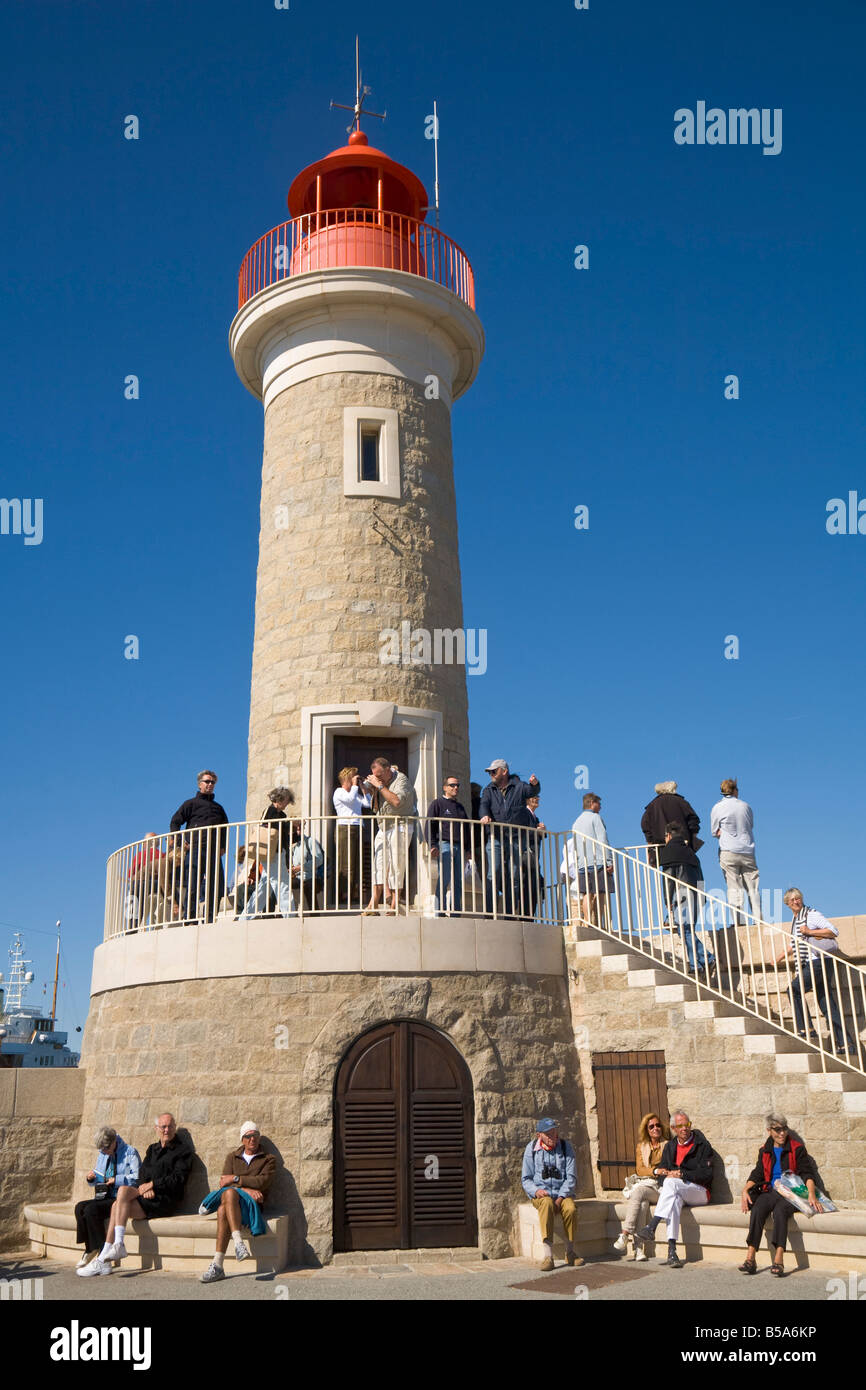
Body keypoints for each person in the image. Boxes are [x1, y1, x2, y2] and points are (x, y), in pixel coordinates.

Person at [78, 1114, 194, 1276]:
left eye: (170, 1126)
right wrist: (145, 1187)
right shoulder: (152, 1149)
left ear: (175, 1127)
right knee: (120, 1197)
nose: (166, 1130)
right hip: (146, 1196)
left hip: (164, 1200)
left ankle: (106, 1255)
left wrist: (152, 1185)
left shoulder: (183, 1151)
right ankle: (113, 1249)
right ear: (157, 1129)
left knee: (118, 1200)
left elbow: (178, 1178)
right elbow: (142, 1174)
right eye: (163, 1127)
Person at [739, 1114, 822, 1278]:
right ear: (769, 1131)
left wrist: (811, 1194)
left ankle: (779, 1258)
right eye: (777, 1130)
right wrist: (745, 1190)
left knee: (780, 1212)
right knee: (758, 1209)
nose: (782, 1133)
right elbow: (757, 1173)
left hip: (791, 1193)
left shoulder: (796, 1148)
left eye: (784, 1129)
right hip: (771, 1191)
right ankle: (750, 1258)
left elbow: (807, 1173)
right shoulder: (765, 1150)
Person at [778, 888, 854, 1054]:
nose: (796, 902)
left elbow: (834, 931)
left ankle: (806, 1028)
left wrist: (810, 931)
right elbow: (797, 942)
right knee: (827, 1004)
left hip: (818, 962)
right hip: (818, 962)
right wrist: (780, 957)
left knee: (794, 989)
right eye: (792, 900)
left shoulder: (811, 914)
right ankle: (846, 1045)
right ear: (787, 904)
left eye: (798, 898)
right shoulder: (796, 919)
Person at [200, 1122, 277, 1283]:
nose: (252, 1139)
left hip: (252, 1206)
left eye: (255, 1136)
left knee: (227, 1200)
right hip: (234, 1204)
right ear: (242, 1139)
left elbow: (263, 1182)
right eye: (248, 1136)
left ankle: (219, 1264)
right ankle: (232, 1249)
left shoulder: (268, 1159)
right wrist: (247, 1189)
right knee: (226, 1200)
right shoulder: (232, 1157)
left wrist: (236, 1179)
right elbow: (223, 1182)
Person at [637, 1111, 714, 1268]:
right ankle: (672, 1251)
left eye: (687, 1125)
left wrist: (682, 1174)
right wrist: (667, 1173)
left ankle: (652, 1225)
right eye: (680, 1126)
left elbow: (707, 1174)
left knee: (671, 1184)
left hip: (700, 1192)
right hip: (679, 1191)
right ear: (673, 1128)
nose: (684, 1129)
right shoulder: (671, 1147)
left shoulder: (702, 1145)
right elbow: (661, 1174)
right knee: (674, 1200)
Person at [520, 1117, 583, 1272]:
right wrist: (536, 1191)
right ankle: (548, 1256)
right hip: (542, 1195)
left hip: (563, 1193)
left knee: (570, 1209)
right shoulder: (532, 1149)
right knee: (547, 1204)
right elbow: (526, 1179)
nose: (553, 1137)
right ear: (539, 1135)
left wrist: (561, 1197)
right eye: (548, 1134)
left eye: (554, 1133)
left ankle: (570, 1253)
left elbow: (571, 1177)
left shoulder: (565, 1146)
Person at [479, 760, 541, 916]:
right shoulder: (488, 790)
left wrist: (535, 784)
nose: (491, 774)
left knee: (514, 876)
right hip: (496, 837)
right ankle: (489, 912)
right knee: (494, 873)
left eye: (494, 771)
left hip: (516, 838)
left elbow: (532, 792)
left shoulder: (519, 787)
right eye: (490, 772)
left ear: (504, 771)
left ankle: (509, 912)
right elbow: (484, 805)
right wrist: (484, 815)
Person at [74, 1127, 141, 1270]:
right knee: (80, 1207)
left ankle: (102, 1252)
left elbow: (136, 1179)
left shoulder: (130, 1153)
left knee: (92, 1210)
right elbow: (99, 1176)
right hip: (104, 1194)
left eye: (105, 1148)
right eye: (101, 1150)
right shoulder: (103, 1154)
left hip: (118, 1197)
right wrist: (91, 1178)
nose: (103, 1152)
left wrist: (116, 1180)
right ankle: (90, 1248)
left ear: (114, 1142)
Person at [170, 770, 229, 922]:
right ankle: (190, 918)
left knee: (216, 886)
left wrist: (222, 846)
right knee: (193, 885)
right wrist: (179, 841)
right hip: (196, 849)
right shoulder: (190, 804)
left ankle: (210, 918)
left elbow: (225, 828)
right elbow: (175, 821)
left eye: (212, 782)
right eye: (207, 781)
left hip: (214, 851)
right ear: (199, 784)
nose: (210, 784)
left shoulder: (219, 808)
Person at [659, 821, 716, 978]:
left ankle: (708, 958)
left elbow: (668, 879)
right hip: (696, 894)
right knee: (687, 930)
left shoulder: (669, 851)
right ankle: (695, 965)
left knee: (684, 930)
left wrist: (667, 900)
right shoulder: (691, 853)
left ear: (669, 835)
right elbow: (700, 877)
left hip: (681, 894)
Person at [612, 1112, 670, 1261]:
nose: (655, 1128)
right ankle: (638, 1249)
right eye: (651, 1126)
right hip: (646, 1185)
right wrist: (655, 1170)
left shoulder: (668, 1144)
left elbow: (669, 1166)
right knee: (642, 1205)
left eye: (658, 1125)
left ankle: (625, 1233)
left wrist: (660, 1172)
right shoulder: (642, 1146)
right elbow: (640, 1170)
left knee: (638, 1192)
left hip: (660, 1188)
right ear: (647, 1130)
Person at [365, 758, 416, 914]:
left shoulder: (402, 779)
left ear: (388, 769)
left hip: (400, 825)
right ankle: (373, 903)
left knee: (396, 866)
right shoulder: (380, 780)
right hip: (383, 826)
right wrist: (367, 786)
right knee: (378, 865)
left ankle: (394, 905)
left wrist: (379, 785)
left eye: (380, 775)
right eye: (375, 776)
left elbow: (396, 801)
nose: (378, 779)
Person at [711, 778, 761, 925]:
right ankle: (758, 918)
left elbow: (714, 831)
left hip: (728, 849)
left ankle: (739, 920)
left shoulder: (717, 807)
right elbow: (750, 825)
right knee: (753, 887)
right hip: (747, 850)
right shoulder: (746, 806)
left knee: (734, 887)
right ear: (735, 790)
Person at [242, 787, 296, 918]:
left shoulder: (282, 815)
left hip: (277, 852)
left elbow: (283, 836)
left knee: (264, 888)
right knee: (282, 883)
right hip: (273, 853)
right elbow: (269, 829)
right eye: (287, 801)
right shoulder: (270, 811)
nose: (287, 804)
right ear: (280, 799)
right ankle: (290, 916)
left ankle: (245, 917)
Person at [567, 792, 614, 928]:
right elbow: (602, 839)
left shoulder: (576, 822)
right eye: (599, 803)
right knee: (600, 892)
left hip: (582, 862)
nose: (600, 807)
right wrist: (609, 861)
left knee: (587, 893)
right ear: (592, 803)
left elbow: (575, 844)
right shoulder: (595, 818)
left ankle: (587, 921)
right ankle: (597, 923)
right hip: (597, 861)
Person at [426, 776, 469, 916]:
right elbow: (429, 825)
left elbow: (466, 829)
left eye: (457, 785)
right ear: (445, 787)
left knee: (458, 881)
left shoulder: (460, 807)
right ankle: (441, 911)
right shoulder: (437, 803)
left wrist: (467, 849)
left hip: (459, 847)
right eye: (452, 785)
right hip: (444, 844)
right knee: (444, 878)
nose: (455, 788)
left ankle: (456, 913)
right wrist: (432, 845)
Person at [333, 767, 371, 910]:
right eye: (354, 777)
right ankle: (344, 895)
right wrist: (355, 786)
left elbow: (367, 803)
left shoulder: (355, 793)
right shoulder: (339, 792)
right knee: (346, 862)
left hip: (357, 828)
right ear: (348, 778)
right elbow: (349, 799)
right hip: (345, 828)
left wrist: (363, 788)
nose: (356, 778)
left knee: (356, 862)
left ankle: (354, 893)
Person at [641, 781, 701, 867]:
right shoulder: (682, 802)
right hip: (684, 846)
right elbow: (693, 821)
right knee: (694, 875)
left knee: (668, 875)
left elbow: (645, 825)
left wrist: (650, 847)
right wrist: (693, 837)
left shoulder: (652, 806)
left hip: (663, 849)